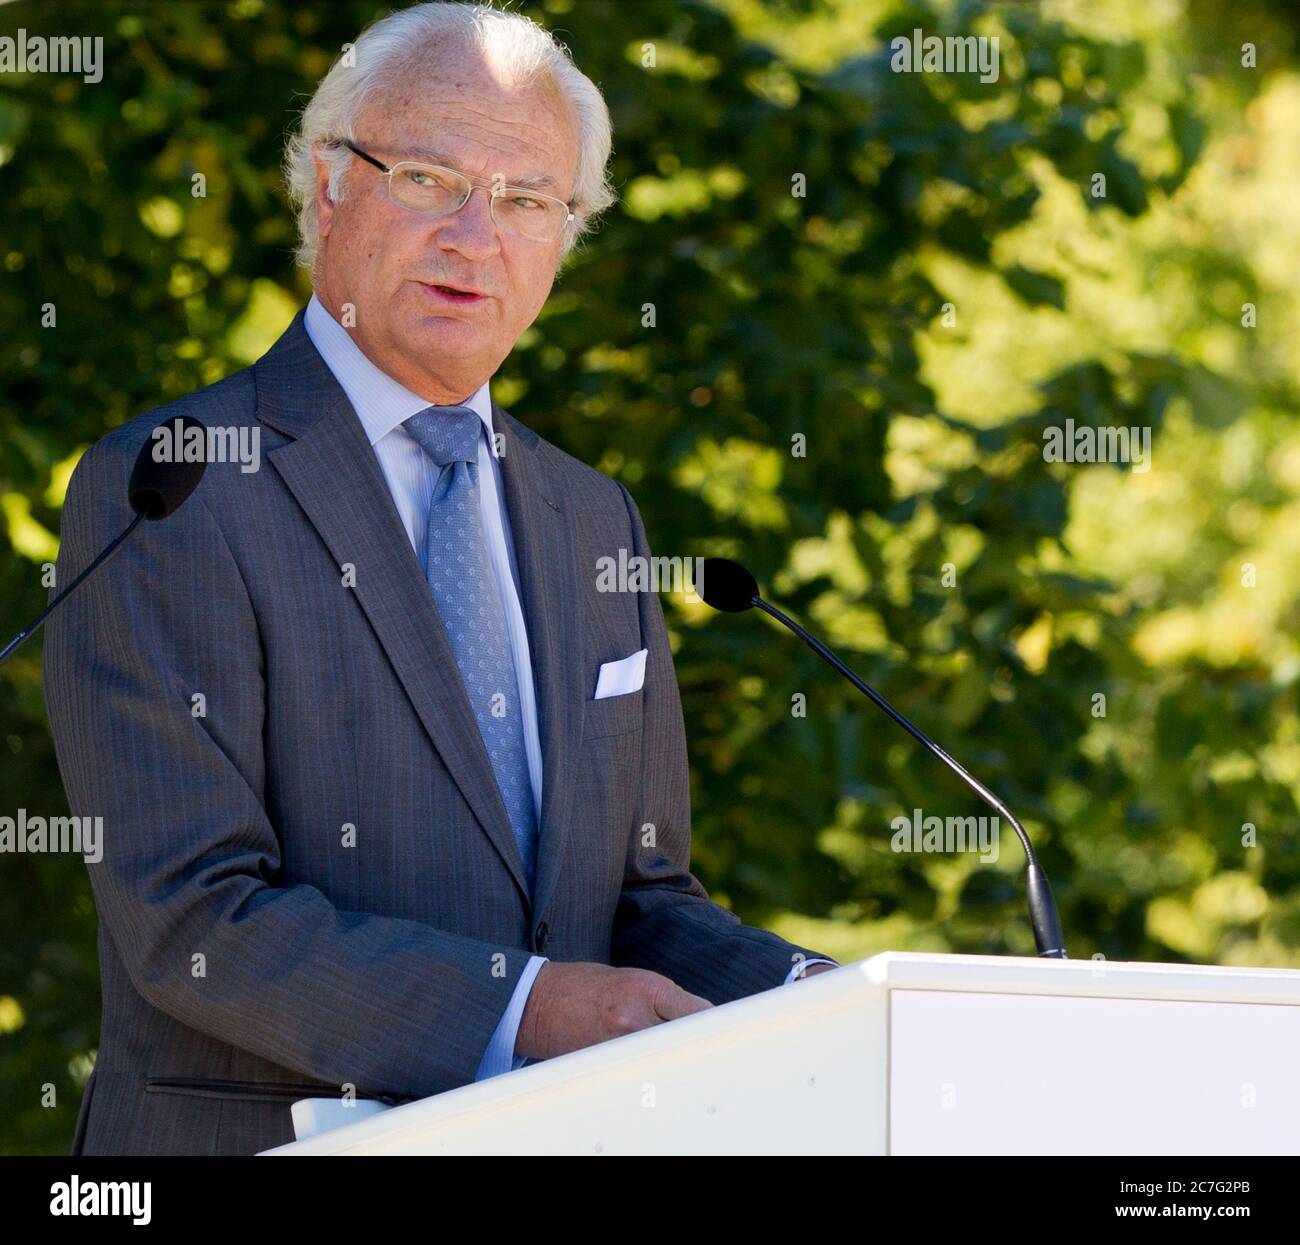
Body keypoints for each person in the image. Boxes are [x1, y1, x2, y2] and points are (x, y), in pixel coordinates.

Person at [45, 0, 834, 1157]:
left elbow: (641, 901)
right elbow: (191, 918)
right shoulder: (172, 489)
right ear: (327, 186)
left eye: (528, 202)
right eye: (427, 179)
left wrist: (820, 996)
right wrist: (528, 1009)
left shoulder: (588, 517)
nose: (479, 235)